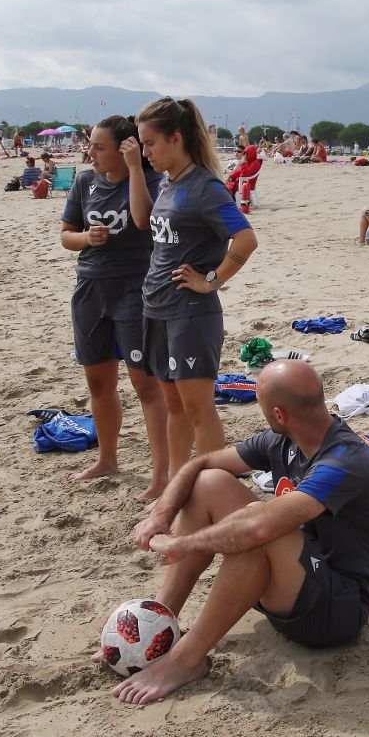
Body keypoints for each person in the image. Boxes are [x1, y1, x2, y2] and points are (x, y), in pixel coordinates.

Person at [99, 360, 369, 705]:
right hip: (296, 579)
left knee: (258, 528)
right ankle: (157, 624)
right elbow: (199, 465)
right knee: (209, 483)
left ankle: (186, 660)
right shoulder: (284, 439)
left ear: (279, 414)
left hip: (337, 612)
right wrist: (160, 516)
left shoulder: (345, 461)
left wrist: (182, 543)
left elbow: (260, 527)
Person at [129, 96, 258, 495]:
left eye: (150, 143)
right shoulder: (171, 184)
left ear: (176, 138)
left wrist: (212, 280)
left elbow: (246, 238)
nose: (146, 151)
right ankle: (174, 484)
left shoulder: (204, 186)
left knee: (199, 409)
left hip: (191, 312)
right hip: (159, 308)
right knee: (174, 406)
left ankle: (212, 495)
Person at [59, 116, 172, 486]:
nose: (90, 152)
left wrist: (135, 168)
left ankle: (160, 474)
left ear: (126, 148)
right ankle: (107, 459)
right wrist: (87, 239)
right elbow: (66, 236)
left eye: (99, 147)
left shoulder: (152, 178)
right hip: (90, 291)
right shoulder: (84, 181)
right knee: (99, 385)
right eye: (91, 144)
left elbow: (143, 222)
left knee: (146, 386)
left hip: (134, 291)